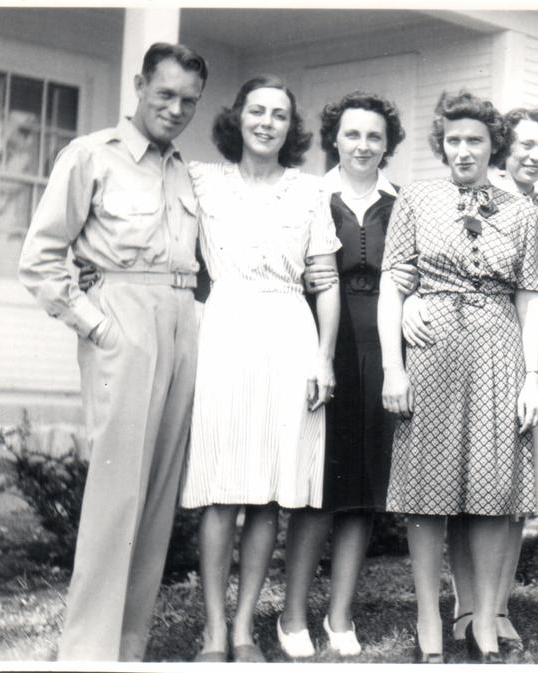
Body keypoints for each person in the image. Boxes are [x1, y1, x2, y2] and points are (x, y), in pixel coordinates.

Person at [17, 42, 207, 662]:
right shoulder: (91, 156)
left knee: (156, 496)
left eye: (189, 101)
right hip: (121, 320)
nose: (176, 109)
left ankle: (130, 646)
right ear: (138, 85)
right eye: (165, 95)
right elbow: (41, 261)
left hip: (181, 322)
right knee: (115, 494)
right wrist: (97, 328)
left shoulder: (184, 169)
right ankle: (87, 651)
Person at [378, 90, 538, 663]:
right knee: (427, 490)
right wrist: (392, 366)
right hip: (432, 350)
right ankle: (430, 614)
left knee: (494, 489)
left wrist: (533, 377)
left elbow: (530, 302)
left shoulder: (521, 212)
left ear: (493, 144)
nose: (464, 150)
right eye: (453, 140)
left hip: (498, 351)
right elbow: (392, 286)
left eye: (475, 139)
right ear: (441, 144)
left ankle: (483, 618)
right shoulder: (418, 199)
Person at [178, 75, 341, 663]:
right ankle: (214, 630)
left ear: (290, 127)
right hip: (224, 327)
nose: (267, 122)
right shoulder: (200, 181)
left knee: (270, 493)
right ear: (238, 118)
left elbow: (324, 284)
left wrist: (323, 356)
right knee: (223, 488)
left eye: (279, 114)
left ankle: (246, 628)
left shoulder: (308, 192)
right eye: (257, 111)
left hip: (288, 332)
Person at [278, 91, 408, 659]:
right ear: (335, 138)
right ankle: (290, 615)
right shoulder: (308, 195)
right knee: (317, 486)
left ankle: (340, 614)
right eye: (353, 134)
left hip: (382, 344)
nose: (363, 145)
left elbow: (414, 277)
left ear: (388, 144)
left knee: (363, 488)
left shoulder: (401, 203)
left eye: (374, 136)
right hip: (321, 340)